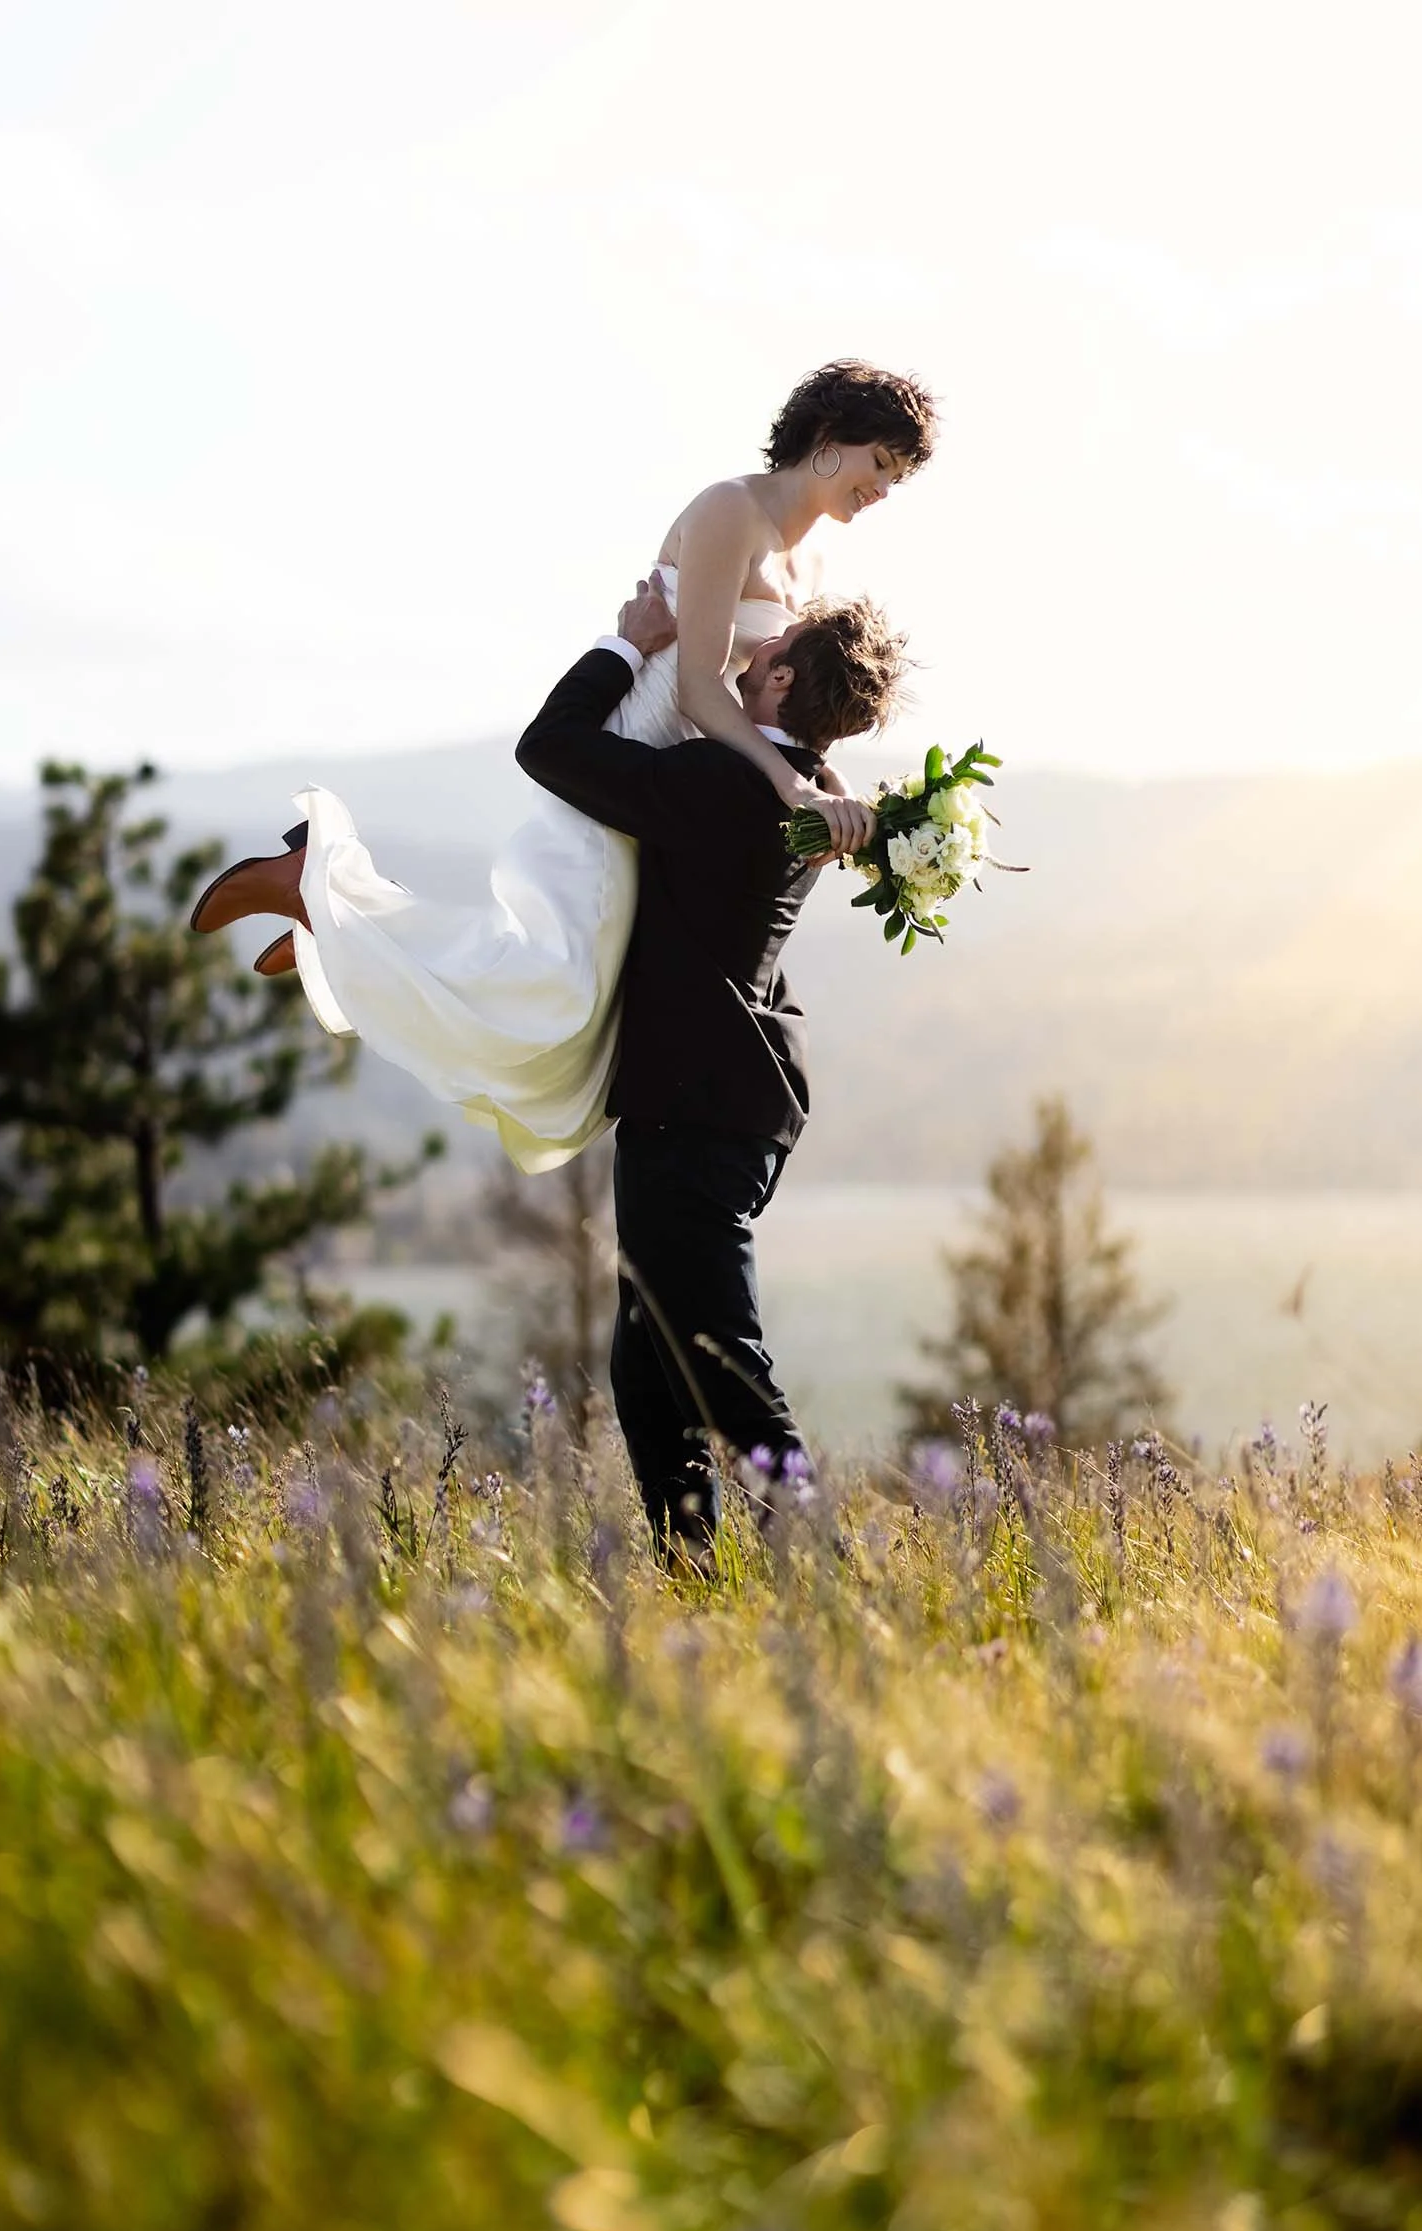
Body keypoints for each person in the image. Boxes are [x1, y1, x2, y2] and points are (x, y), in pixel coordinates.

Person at [187, 360, 935, 1171]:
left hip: (691, 774)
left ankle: (332, 922)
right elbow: (695, 685)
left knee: (577, 1005)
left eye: (897, 477)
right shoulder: (732, 511)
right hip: (637, 743)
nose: (884, 490)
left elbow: (783, 702)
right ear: (831, 437)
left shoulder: (812, 564)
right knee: (553, 990)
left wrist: (830, 787)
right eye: (881, 465)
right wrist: (787, 783)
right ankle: (320, 895)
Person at [513, 576, 910, 1562]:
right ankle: (692, 1575)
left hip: (691, 1116)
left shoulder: (727, 788)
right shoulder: (795, 793)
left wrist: (623, 643)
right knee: (649, 1371)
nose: (740, 651)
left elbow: (548, 751)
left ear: (777, 676)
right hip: (725, 1105)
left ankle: (828, 1580)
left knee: (721, 1360)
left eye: (760, 647)